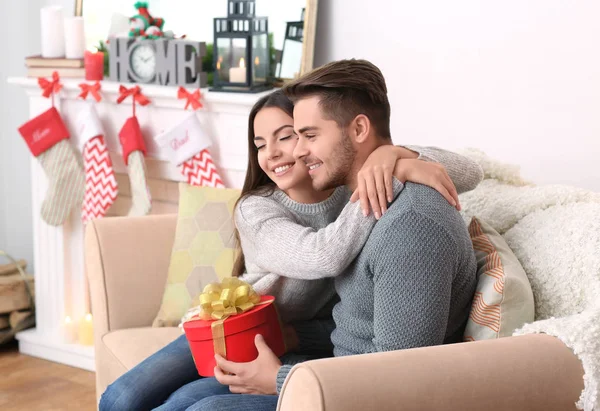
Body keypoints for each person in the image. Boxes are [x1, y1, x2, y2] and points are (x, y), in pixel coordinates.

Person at [98, 87, 482, 411]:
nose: (272, 153)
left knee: (191, 401)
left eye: (287, 136)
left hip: (304, 335)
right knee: (124, 395)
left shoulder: (345, 181)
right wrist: (377, 177)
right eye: (260, 144)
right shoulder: (258, 209)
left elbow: (472, 172)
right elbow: (323, 255)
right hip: (238, 329)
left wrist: (392, 156)